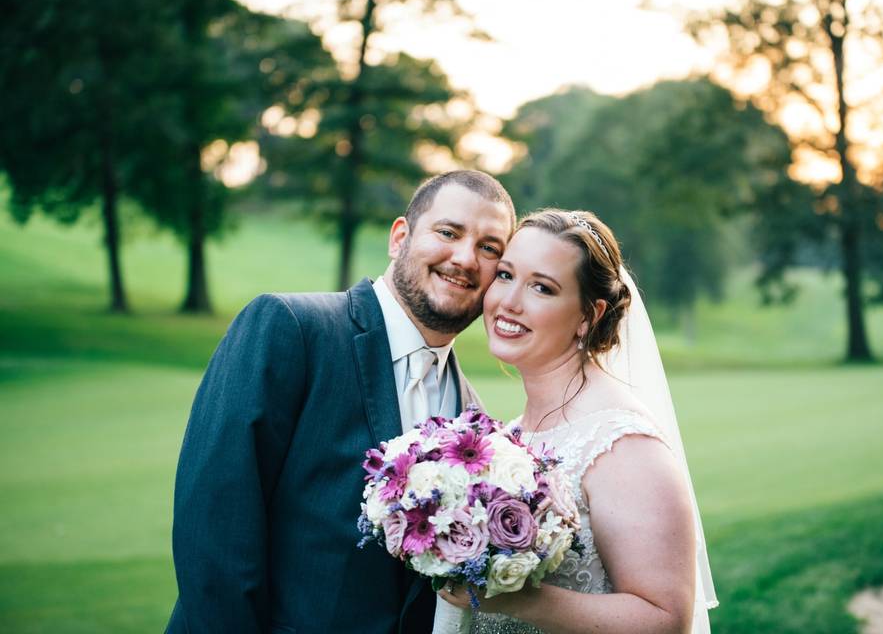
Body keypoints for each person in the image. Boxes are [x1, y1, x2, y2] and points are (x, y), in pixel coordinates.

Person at [165, 170, 516, 634]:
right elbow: (215, 531)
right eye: (448, 232)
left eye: (489, 248)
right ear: (400, 237)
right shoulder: (290, 328)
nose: (465, 258)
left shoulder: (474, 422)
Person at [437, 209, 717, 633]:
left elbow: (666, 620)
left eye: (542, 288)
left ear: (588, 315)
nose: (509, 302)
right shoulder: (510, 435)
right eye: (506, 275)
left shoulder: (622, 444)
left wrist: (516, 597)